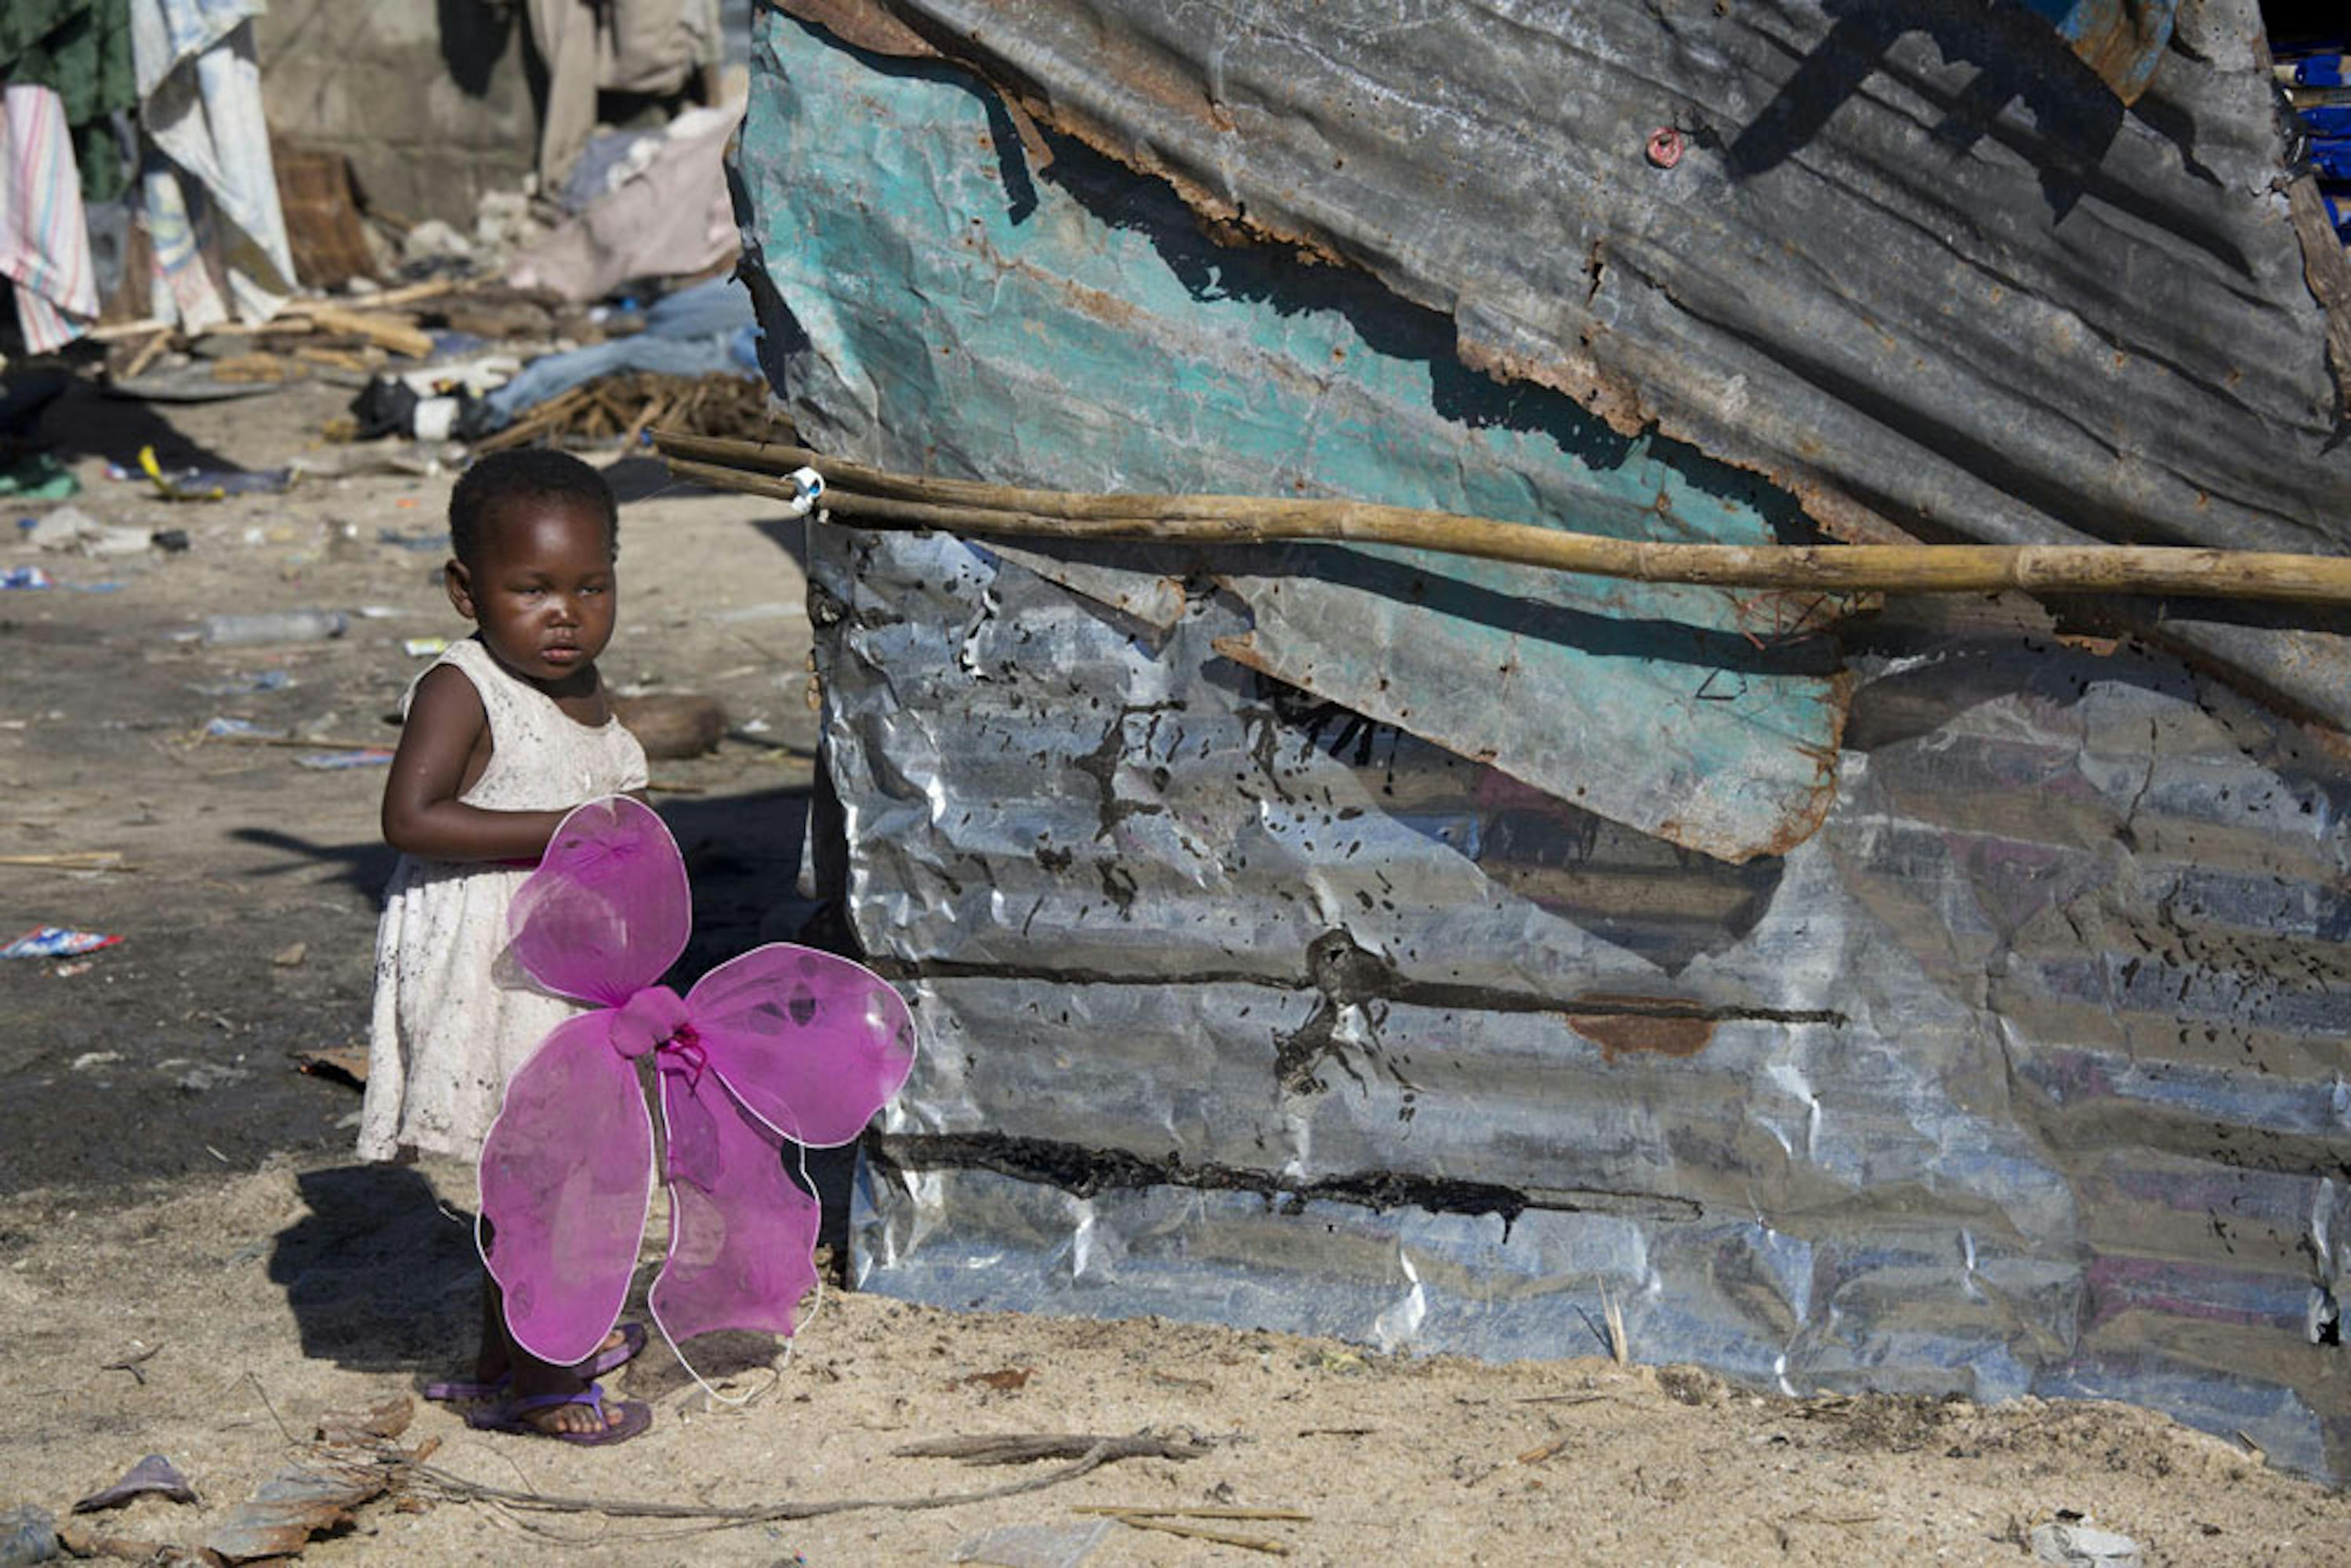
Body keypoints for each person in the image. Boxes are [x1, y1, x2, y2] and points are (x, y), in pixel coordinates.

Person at [357, 449, 654, 1443]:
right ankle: (552, 1377)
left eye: (589, 586)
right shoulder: (461, 686)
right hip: (492, 964)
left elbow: (609, 812)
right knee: (544, 1175)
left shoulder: (587, 687)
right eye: (531, 590)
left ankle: (502, 1361)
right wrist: (569, 827)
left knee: (536, 1167)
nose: (564, 613)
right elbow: (412, 818)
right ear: (465, 590)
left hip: (563, 966)